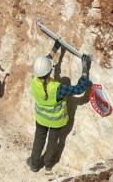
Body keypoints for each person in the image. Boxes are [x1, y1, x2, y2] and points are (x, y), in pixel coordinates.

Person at [26, 41, 92, 172]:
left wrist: (54, 50)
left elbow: (44, 65)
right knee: (52, 142)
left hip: (41, 118)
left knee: (38, 140)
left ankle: (34, 164)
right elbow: (79, 89)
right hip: (56, 121)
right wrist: (85, 69)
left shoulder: (34, 80)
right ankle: (48, 164)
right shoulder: (57, 88)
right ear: (50, 71)